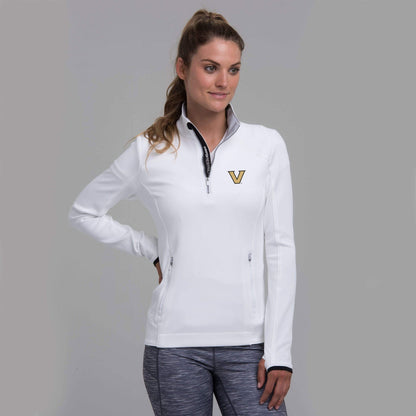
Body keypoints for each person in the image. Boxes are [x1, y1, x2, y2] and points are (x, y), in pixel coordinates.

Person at [68, 9, 297, 416]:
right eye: (210, 68)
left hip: (248, 344)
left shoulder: (266, 147)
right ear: (182, 68)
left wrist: (279, 352)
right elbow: (84, 211)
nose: (223, 81)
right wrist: (151, 249)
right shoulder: (150, 151)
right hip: (173, 347)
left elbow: (280, 249)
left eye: (233, 69)